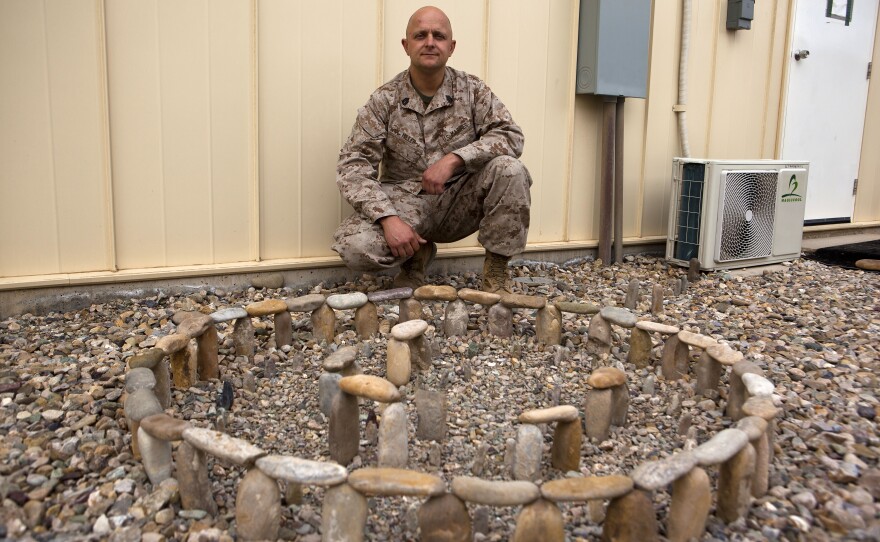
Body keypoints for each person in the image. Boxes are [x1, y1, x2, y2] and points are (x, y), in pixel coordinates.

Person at [332, 5, 531, 293]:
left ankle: (496, 272)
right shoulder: (384, 100)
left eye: (438, 36)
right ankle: (414, 257)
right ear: (406, 45)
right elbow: (352, 166)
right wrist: (388, 219)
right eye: (420, 35)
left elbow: (511, 136)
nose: (429, 42)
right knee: (354, 245)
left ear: (451, 47)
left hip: (460, 201)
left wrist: (456, 159)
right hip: (406, 206)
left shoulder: (473, 90)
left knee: (511, 170)